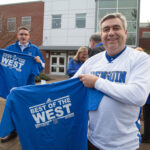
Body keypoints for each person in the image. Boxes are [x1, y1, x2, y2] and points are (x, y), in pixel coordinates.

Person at [74, 13, 150, 149]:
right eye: (106, 29)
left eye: (116, 28)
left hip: (124, 145)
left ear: (125, 32)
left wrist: (97, 82)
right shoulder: (92, 62)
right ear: (101, 34)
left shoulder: (140, 59)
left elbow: (138, 96)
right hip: (92, 141)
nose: (111, 33)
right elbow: (70, 88)